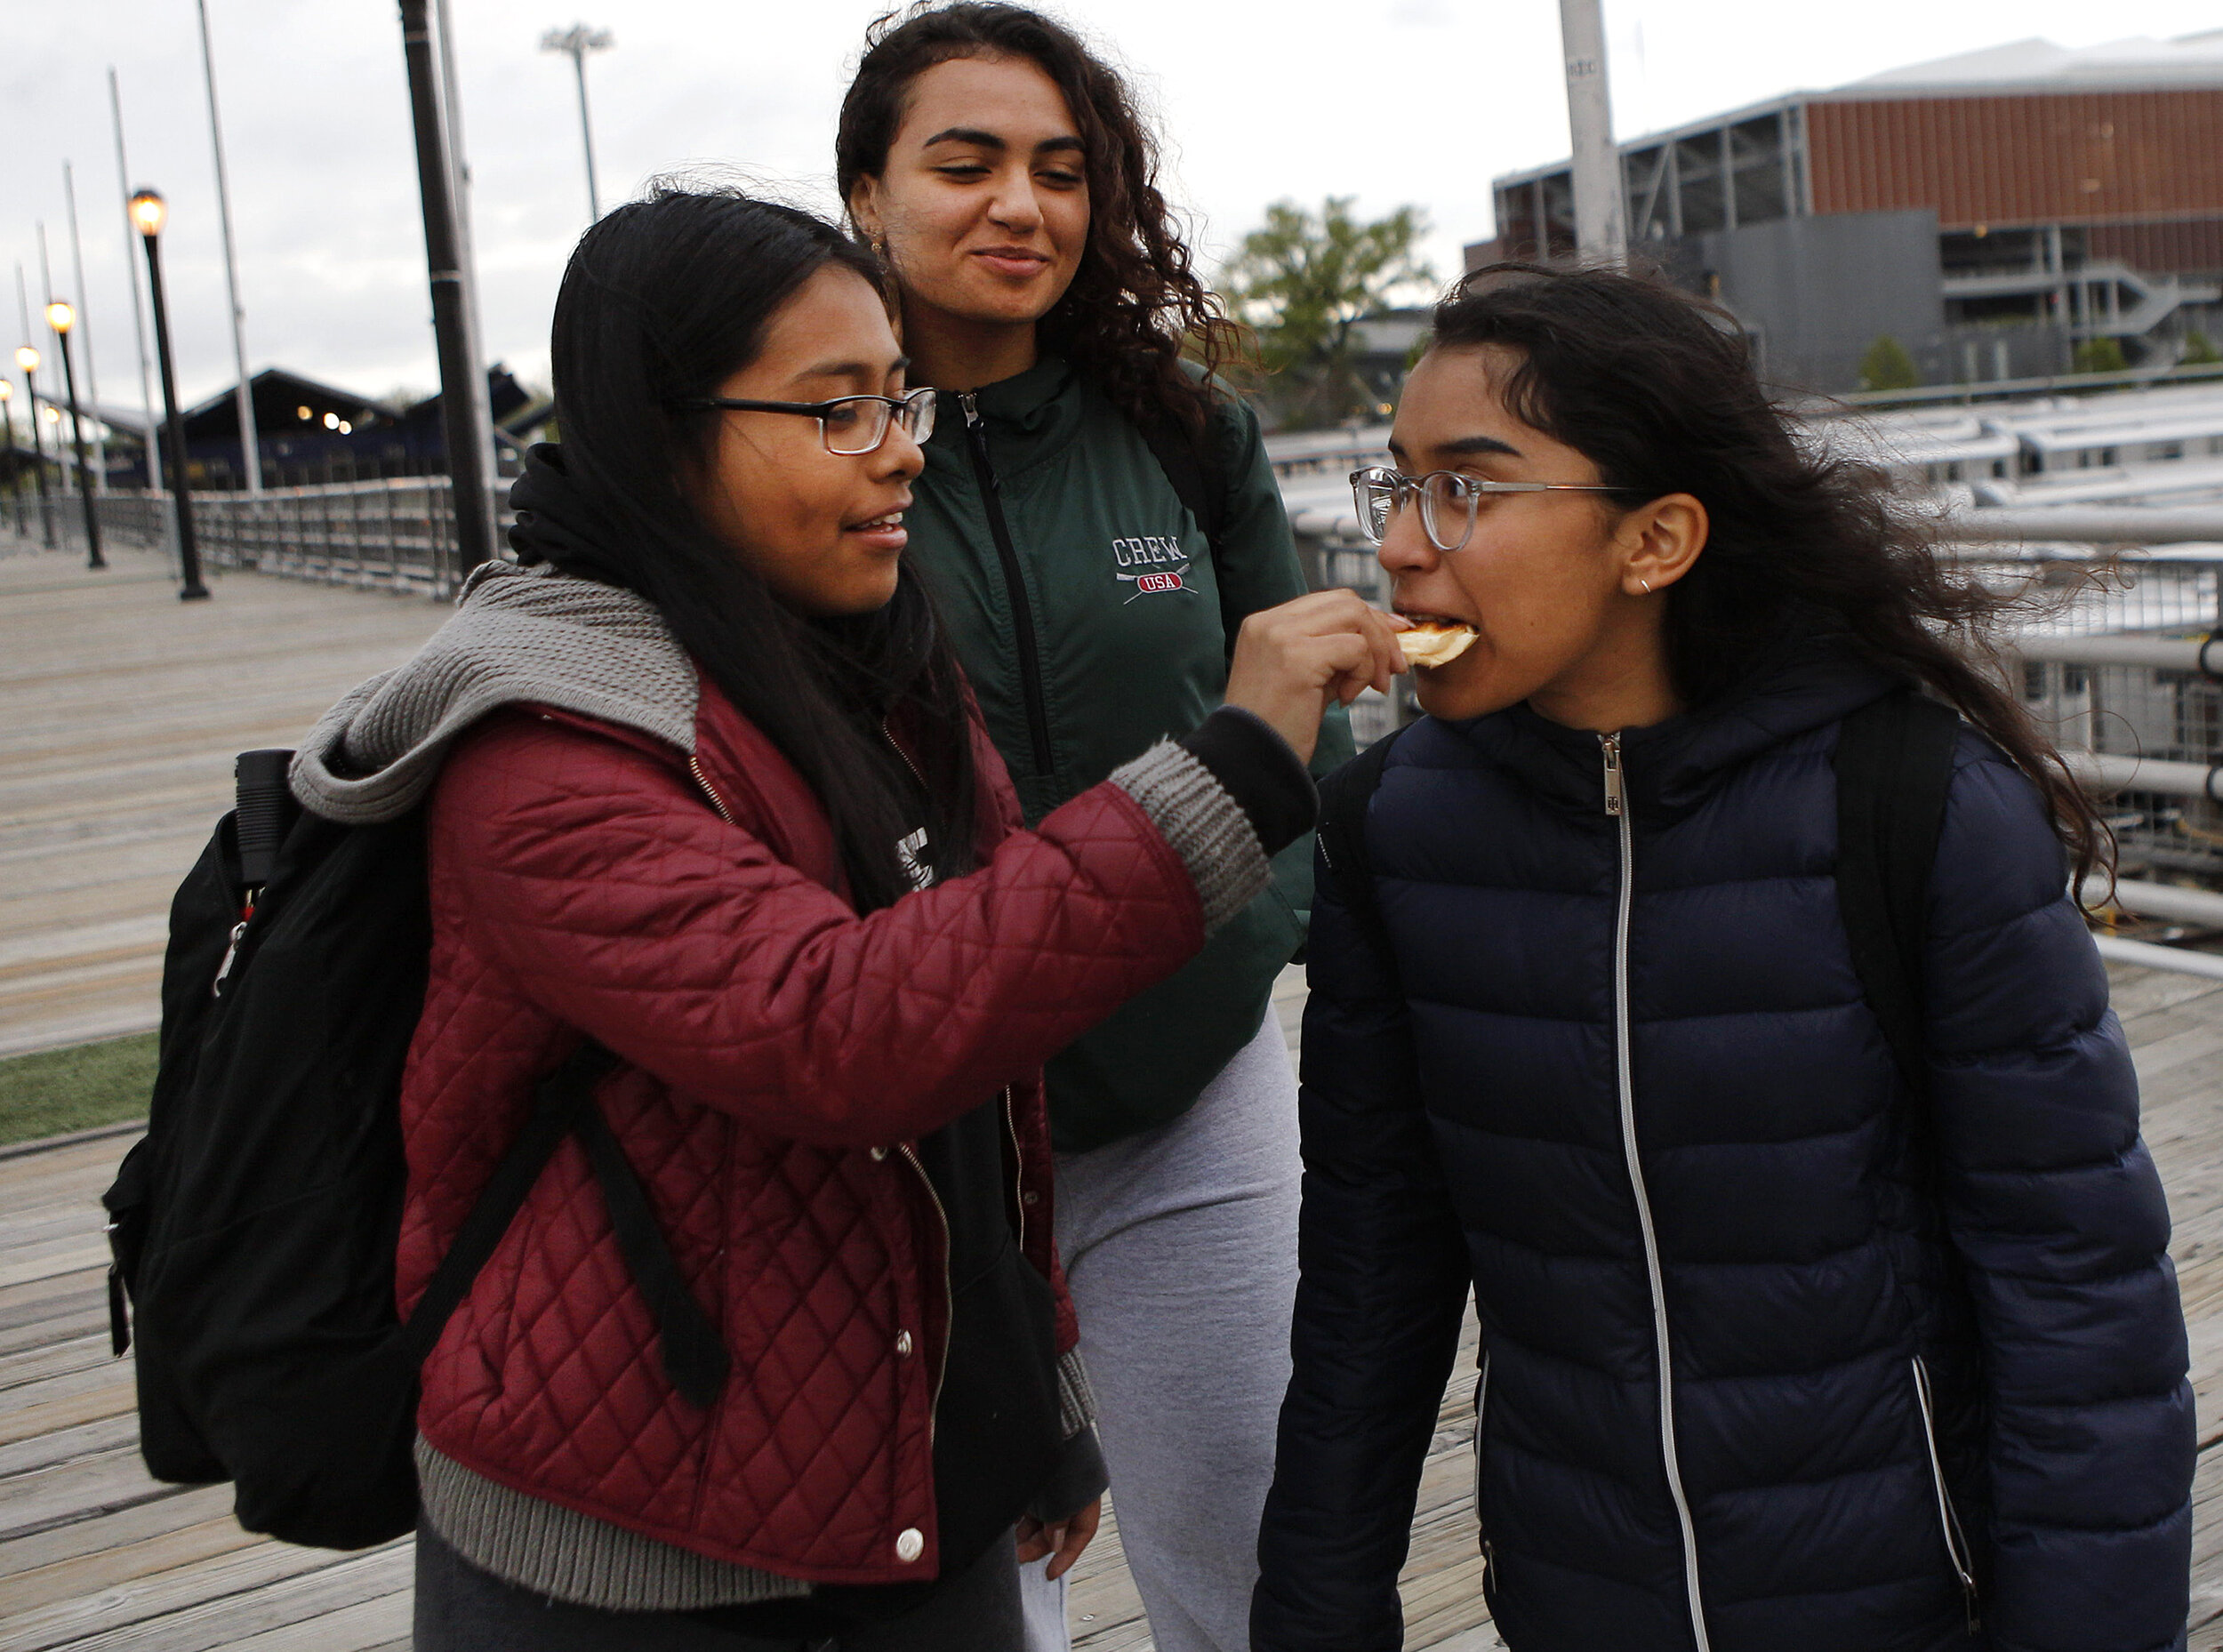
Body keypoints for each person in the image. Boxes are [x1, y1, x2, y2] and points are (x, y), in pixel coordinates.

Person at [286, 185, 1402, 1652]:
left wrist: (1034, 1379)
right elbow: (844, 1029)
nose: (898, 456)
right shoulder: (540, 742)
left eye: (901, 400)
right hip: (616, 1549)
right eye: (834, 413)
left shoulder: (867, 654)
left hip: (905, 1477)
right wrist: (1231, 771)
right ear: (659, 431)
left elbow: (987, 1058)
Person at [1253, 263, 2195, 1652]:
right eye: (1395, 486)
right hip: (1577, 1601)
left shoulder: (1915, 804)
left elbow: (2082, 1300)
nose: (1400, 545)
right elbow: (1368, 1279)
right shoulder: (1393, 828)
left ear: (1657, 540)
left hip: (1910, 1601)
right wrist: (1315, 1616)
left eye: (1468, 487)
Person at [835, 10, 1354, 1648]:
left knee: (1259, 1563)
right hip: (919, 1139)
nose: (1021, 206)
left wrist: (1269, 919)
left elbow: (1299, 706)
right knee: (991, 1594)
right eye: (965, 161)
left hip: (1188, 1087)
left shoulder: (1187, 432)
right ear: (865, 194)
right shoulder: (812, 453)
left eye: (1062, 170)